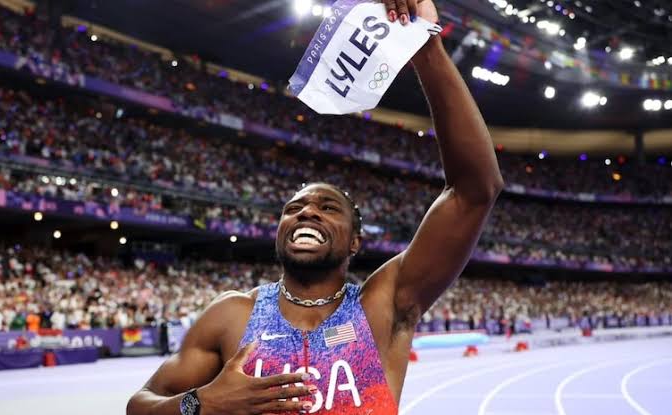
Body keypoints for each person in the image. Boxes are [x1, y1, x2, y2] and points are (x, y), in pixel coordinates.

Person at [127, 0, 503, 414]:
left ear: (356, 241)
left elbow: (475, 191)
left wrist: (426, 46)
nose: (307, 213)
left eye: (328, 207)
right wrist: (201, 404)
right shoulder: (232, 315)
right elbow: (139, 406)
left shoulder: (385, 304)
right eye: (294, 208)